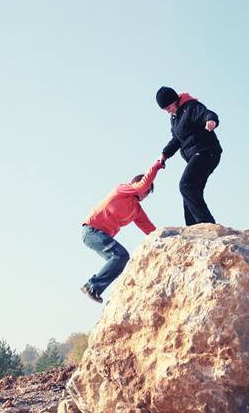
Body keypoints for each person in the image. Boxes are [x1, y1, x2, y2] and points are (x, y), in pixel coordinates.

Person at [79, 158, 164, 303]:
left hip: (101, 235)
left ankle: (102, 292)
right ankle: (92, 286)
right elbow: (143, 184)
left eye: (148, 193)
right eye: (146, 190)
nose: (145, 194)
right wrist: (157, 165)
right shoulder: (122, 190)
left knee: (120, 263)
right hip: (91, 231)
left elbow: (150, 229)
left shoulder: (136, 210)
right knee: (121, 255)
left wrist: (167, 240)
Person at [156, 86, 222, 225]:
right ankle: (192, 226)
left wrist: (211, 121)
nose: (168, 111)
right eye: (165, 110)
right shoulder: (174, 119)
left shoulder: (190, 107)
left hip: (206, 151)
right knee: (191, 191)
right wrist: (165, 154)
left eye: (169, 107)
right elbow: (176, 139)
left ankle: (205, 223)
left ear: (175, 100)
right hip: (196, 155)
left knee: (186, 185)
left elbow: (207, 114)